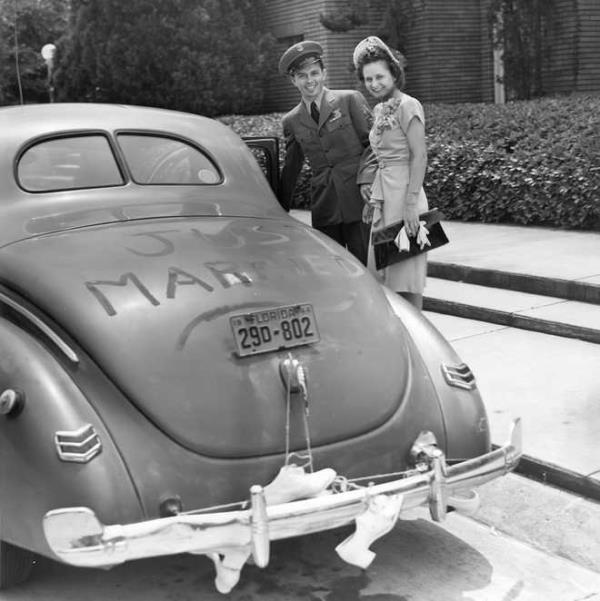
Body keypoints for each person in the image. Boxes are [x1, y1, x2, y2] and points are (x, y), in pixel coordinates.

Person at [278, 40, 375, 265]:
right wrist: (279, 207)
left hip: (358, 200)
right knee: (334, 270)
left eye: (314, 73)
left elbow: (373, 143)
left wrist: (367, 179)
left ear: (324, 73)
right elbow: (291, 167)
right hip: (325, 206)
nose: (309, 81)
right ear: (293, 80)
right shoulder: (291, 121)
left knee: (365, 267)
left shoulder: (349, 100)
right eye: (302, 75)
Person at [353, 36, 429, 310]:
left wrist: (410, 206)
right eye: (368, 79)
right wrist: (374, 198)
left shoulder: (410, 105)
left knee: (406, 281)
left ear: (394, 74)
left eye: (380, 77)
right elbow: (381, 157)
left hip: (406, 198)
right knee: (383, 281)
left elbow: (419, 156)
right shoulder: (379, 108)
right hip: (385, 199)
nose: (374, 84)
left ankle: (417, 348)